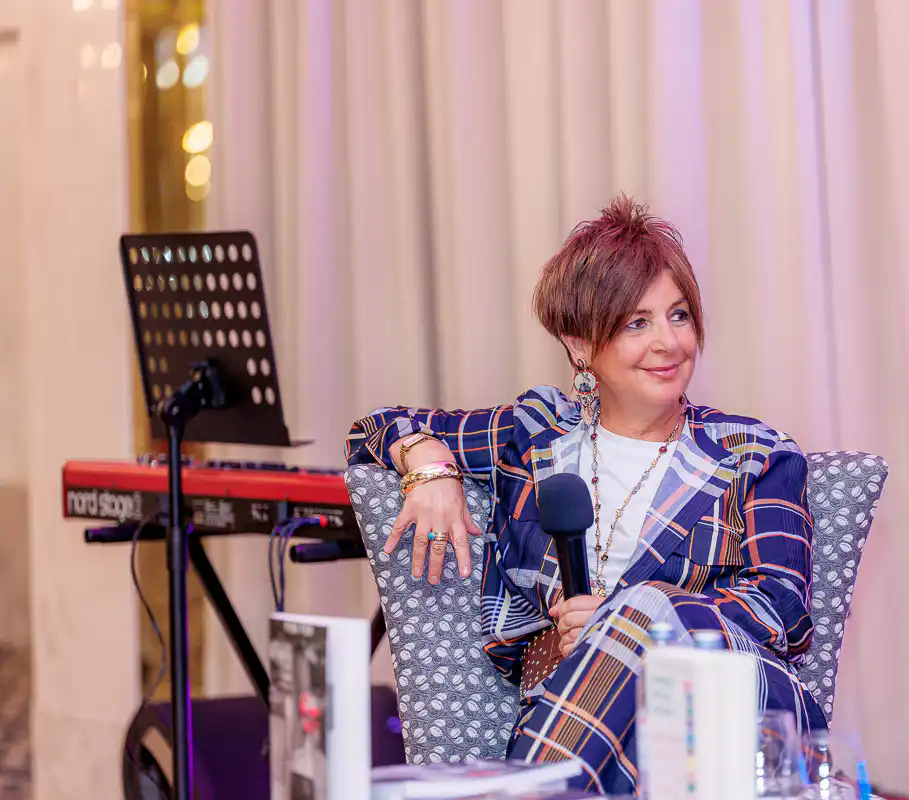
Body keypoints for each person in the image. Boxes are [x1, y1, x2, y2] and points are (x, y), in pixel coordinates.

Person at [345, 196, 826, 794]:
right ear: (578, 345)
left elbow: (783, 609)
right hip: (592, 729)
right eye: (636, 323)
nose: (669, 342)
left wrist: (632, 617)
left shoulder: (753, 452)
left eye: (679, 315)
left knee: (643, 609)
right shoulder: (536, 434)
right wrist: (428, 465)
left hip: (736, 714)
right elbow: (373, 430)